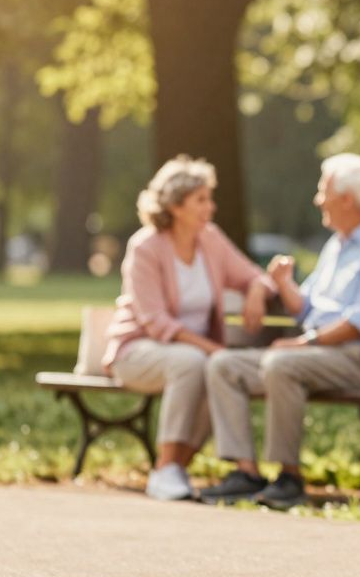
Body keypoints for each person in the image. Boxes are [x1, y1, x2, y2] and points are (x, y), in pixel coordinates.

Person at [200, 153, 360, 510]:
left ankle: (289, 478)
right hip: (316, 354)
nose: (318, 199)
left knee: (282, 365)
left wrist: (302, 343)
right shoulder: (337, 245)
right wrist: (284, 285)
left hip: (356, 359)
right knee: (224, 365)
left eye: (323, 190)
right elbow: (307, 307)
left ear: (347, 199)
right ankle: (246, 473)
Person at [103, 155, 274, 501]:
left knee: (212, 368)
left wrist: (256, 290)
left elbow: (252, 273)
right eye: (201, 200)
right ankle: (166, 466)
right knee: (193, 362)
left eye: (209, 199)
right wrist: (211, 348)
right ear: (176, 206)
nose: (210, 207)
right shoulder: (145, 247)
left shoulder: (209, 239)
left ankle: (173, 469)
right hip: (137, 350)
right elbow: (155, 322)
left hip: (191, 354)